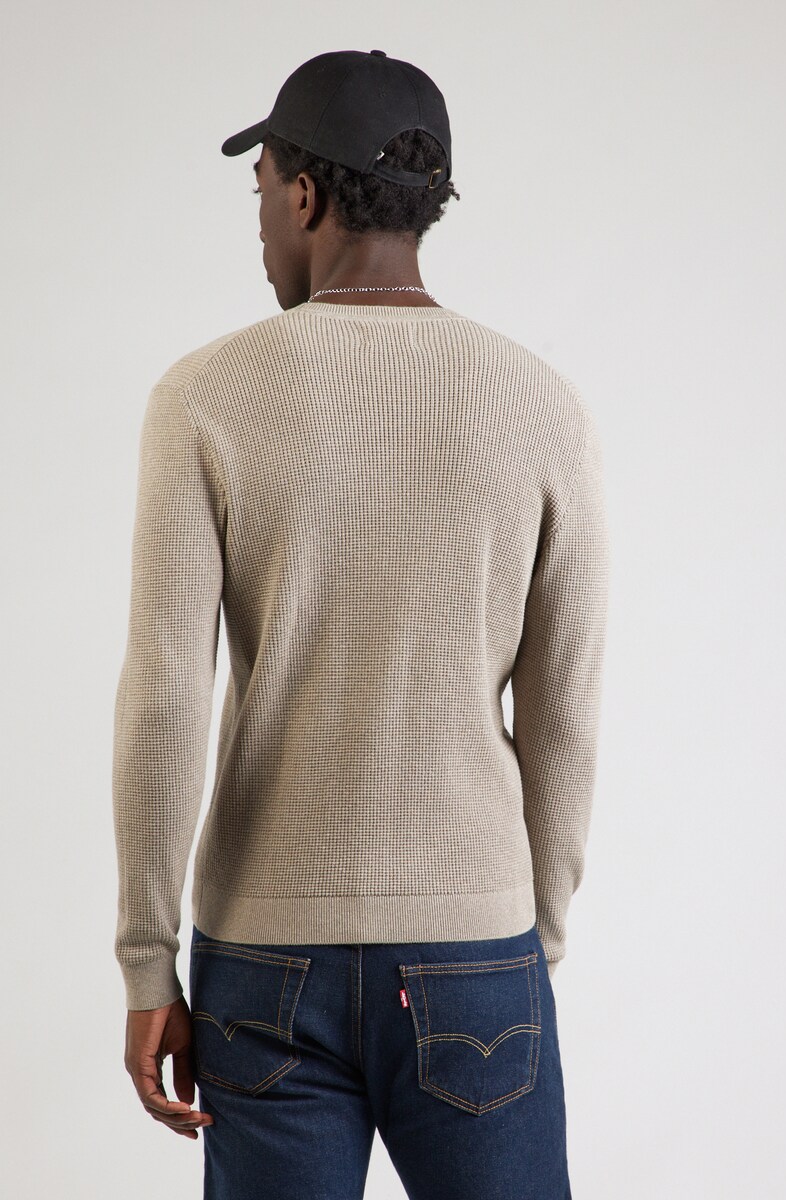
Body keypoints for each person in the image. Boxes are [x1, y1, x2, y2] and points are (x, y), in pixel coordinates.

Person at [113, 48, 610, 1200]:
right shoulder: (542, 405)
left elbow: (165, 700)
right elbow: (568, 703)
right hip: (475, 947)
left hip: (261, 962)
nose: (259, 228)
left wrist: (146, 962)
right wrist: (526, 936)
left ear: (305, 196)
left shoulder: (203, 396)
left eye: (260, 193)